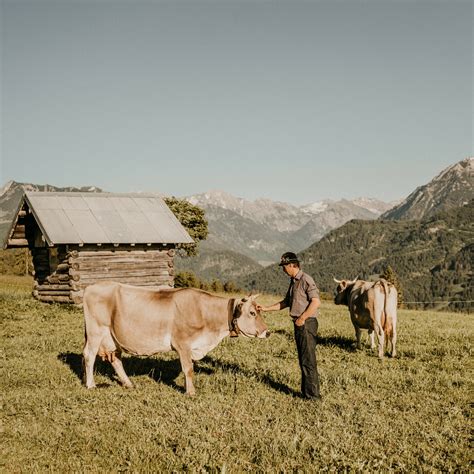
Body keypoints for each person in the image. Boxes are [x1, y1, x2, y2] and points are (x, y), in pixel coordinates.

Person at [257, 251, 322, 400]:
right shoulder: (294, 282)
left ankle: (313, 397)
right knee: (303, 359)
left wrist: (302, 318)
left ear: (293, 265)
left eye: (284, 266)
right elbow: (286, 302)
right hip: (300, 324)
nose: (283, 269)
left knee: (308, 360)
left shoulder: (306, 279)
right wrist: (265, 308)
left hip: (307, 324)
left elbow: (316, 302)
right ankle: (307, 394)